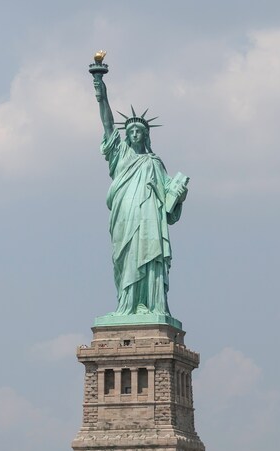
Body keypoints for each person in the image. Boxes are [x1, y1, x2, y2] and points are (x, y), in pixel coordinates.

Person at [93, 74, 189, 318]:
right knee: (125, 258)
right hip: (124, 214)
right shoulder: (120, 155)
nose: (135, 133)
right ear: (125, 135)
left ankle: (150, 304)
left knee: (148, 256)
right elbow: (107, 124)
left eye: (139, 131)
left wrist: (179, 193)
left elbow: (169, 197)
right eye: (131, 130)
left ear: (146, 136)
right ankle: (127, 305)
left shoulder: (154, 162)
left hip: (149, 219)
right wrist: (100, 91)